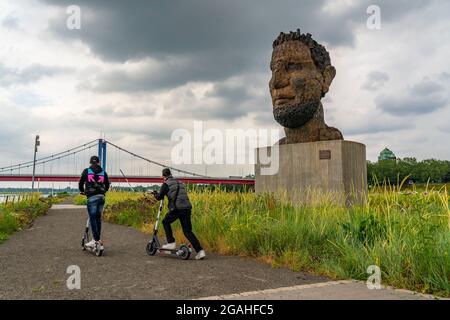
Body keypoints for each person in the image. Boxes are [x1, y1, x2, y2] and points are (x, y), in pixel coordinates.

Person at [151, 168, 206, 260]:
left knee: (165, 222)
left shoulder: (166, 184)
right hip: (187, 208)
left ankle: (171, 243)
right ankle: (200, 251)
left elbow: (159, 197)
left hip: (177, 208)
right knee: (187, 231)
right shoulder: (180, 183)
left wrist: (155, 193)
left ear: (163, 176)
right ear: (170, 174)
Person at [78, 156, 110, 250]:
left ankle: (95, 240)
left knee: (92, 219)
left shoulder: (86, 171)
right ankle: (97, 240)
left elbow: (80, 183)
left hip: (91, 197)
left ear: (90, 162)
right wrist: (102, 191)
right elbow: (107, 185)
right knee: (98, 219)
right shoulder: (104, 172)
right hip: (101, 197)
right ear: (99, 162)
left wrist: (83, 191)